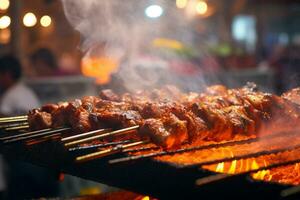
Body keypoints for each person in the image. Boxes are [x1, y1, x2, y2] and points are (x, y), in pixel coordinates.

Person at [0, 55, 59, 199]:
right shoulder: (25, 91)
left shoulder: (10, 96)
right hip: (40, 155)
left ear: (7, 74)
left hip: (24, 158)